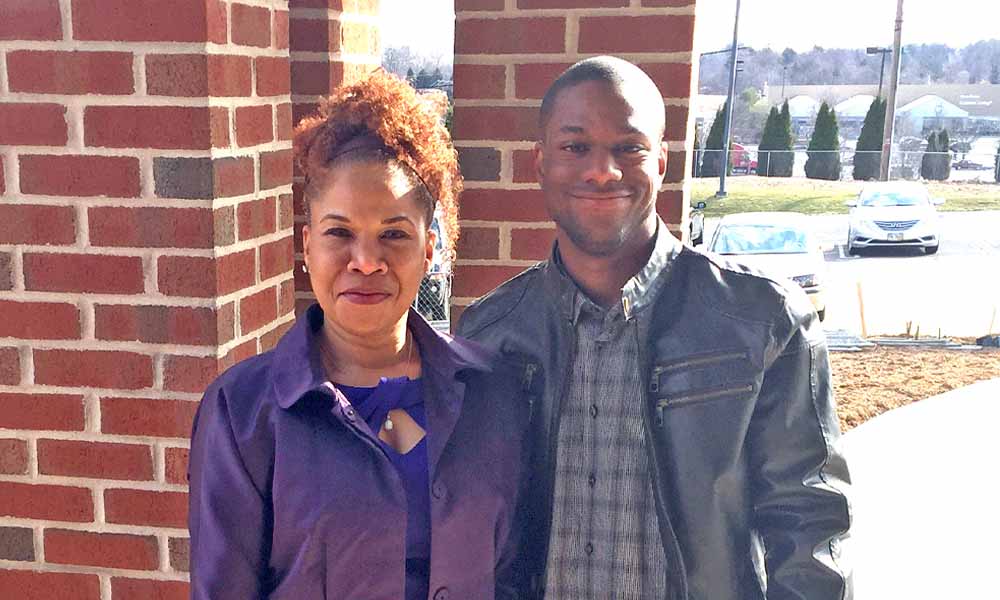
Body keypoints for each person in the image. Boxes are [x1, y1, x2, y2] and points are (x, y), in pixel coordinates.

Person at [457, 56, 852, 599]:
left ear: (662, 161)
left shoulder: (761, 320)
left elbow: (809, 526)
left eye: (628, 147)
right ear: (540, 163)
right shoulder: (489, 334)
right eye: (576, 148)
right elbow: (472, 528)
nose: (603, 171)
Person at [188, 70, 529, 600]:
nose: (366, 262)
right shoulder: (244, 414)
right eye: (339, 233)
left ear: (430, 250)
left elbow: (512, 578)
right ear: (306, 246)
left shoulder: (494, 394)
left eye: (394, 233)